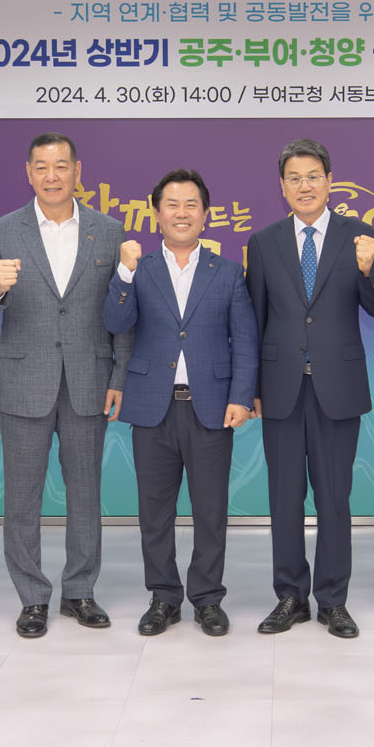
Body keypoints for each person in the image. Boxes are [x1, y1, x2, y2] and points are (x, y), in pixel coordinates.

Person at [0, 132, 130, 638]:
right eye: (42, 166)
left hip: (88, 381)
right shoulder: (1, 231)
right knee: (22, 498)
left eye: (62, 166)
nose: (52, 176)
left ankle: (80, 591)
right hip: (23, 382)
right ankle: (33, 598)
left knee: (86, 495)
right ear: (29, 173)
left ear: (78, 171)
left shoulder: (107, 231)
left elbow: (122, 310)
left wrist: (120, 375)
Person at [245, 137, 374, 639]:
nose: (304, 186)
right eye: (294, 178)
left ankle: (332, 600)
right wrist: (252, 388)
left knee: (334, 498)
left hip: (338, 386)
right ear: (282, 186)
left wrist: (369, 270)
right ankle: (290, 596)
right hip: (280, 388)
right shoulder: (264, 242)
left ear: (330, 181)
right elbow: (255, 319)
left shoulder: (361, 235)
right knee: (284, 499)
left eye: (313, 177)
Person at [103, 169, 257, 636]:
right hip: (153, 406)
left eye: (191, 204)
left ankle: (208, 598)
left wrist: (242, 396)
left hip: (210, 407)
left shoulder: (227, 272)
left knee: (210, 510)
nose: (182, 213)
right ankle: (163, 598)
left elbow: (244, 340)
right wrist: (124, 273)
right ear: (157, 214)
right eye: (172, 204)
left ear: (205, 214)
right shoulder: (140, 268)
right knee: (155, 511)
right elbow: (115, 322)